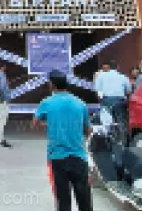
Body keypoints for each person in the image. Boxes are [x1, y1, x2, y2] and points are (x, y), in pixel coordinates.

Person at [32, 70, 93, 211]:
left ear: (52, 85)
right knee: (84, 199)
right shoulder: (80, 103)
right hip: (79, 156)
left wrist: (50, 124)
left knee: (62, 200)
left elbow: (34, 124)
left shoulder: (46, 103)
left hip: (57, 157)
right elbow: (88, 130)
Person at [95, 60, 131, 126]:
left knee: (106, 122)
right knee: (121, 121)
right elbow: (129, 91)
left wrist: (101, 101)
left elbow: (98, 91)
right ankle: (121, 130)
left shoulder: (100, 76)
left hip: (106, 100)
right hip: (120, 101)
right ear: (118, 67)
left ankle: (109, 131)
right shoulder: (123, 77)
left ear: (108, 67)